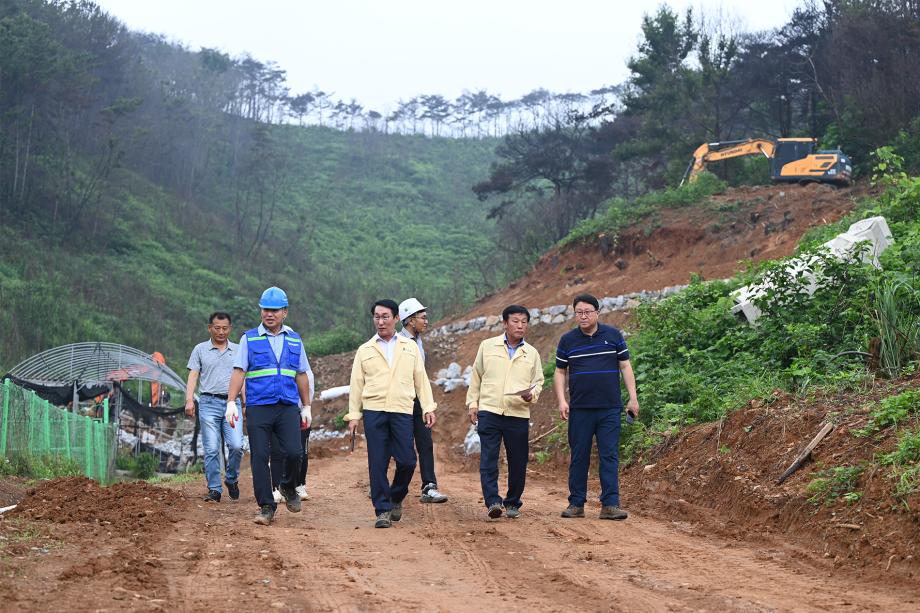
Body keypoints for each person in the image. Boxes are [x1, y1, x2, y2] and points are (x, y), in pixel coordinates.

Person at [346, 299, 437, 528]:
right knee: (377, 462)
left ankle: (396, 496)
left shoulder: (410, 347)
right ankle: (382, 510)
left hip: (401, 410)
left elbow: (421, 380)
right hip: (374, 411)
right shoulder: (365, 350)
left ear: (396, 318)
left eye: (385, 316)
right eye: (376, 317)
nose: (380, 321)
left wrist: (428, 407)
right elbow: (356, 384)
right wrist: (354, 415)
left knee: (407, 461)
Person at [226, 287, 313, 526]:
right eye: (265, 309)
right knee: (260, 456)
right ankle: (266, 505)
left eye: (274, 310)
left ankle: (287, 485)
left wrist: (306, 406)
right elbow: (239, 371)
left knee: (295, 452)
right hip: (258, 406)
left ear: (285, 312)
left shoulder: (295, 340)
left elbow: (301, 374)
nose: (269, 314)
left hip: (287, 406)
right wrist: (231, 402)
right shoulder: (249, 338)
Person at [553, 293, 639, 520]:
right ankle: (576, 504)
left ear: (597, 313)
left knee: (609, 455)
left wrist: (633, 398)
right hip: (580, 408)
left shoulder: (612, 335)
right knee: (579, 455)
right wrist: (562, 400)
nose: (583, 316)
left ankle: (610, 505)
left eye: (587, 312)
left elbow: (625, 366)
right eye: (578, 313)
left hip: (610, 407)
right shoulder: (567, 340)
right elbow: (560, 371)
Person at [466, 305, 544, 519]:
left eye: (524, 322)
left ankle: (512, 503)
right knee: (489, 459)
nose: (520, 325)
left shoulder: (532, 353)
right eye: (515, 321)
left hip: (517, 413)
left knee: (518, 461)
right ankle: (493, 501)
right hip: (490, 411)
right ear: (504, 323)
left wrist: (532, 395)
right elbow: (476, 377)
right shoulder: (487, 346)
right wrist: (473, 403)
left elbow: (538, 381)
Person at [185, 312, 243, 503]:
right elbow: (193, 375)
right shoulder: (200, 349)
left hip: (232, 404)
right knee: (211, 448)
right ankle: (214, 489)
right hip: (208, 403)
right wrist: (189, 400)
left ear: (230, 329)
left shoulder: (238, 350)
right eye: (217, 328)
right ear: (209, 328)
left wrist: (247, 402)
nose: (221, 332)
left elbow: (243, 378)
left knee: (236, 445)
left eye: (224, 328)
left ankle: (232, 479)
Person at [397, 297, 448, 504]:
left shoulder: (418, 342)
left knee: (425, 443)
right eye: (422, 317)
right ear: (409, 320)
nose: (426, 321)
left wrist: (427, 404)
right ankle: (385, 486)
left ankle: (429, 486)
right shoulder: (399, 343)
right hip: (401, 401)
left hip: (418, 401)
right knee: (400, 447)